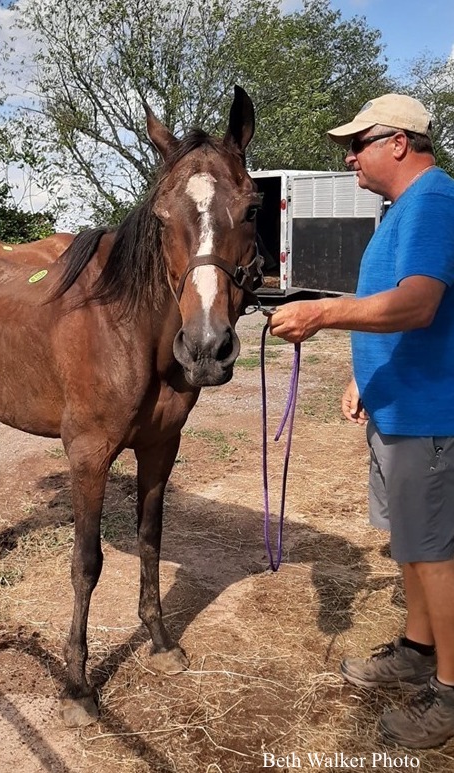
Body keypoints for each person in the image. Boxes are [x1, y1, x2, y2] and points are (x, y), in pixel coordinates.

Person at [269, 93, 454, 749]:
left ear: (398, 141)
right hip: (396, 403)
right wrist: (361, 372)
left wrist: (318, 315)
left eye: (357, 142)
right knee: (409, 541)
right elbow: (394, 311)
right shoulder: (404, 209)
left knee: (434, 551)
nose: (349, 155)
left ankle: (449, 693)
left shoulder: (432, 200)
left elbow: (416, 303)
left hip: (427, 413)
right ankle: (415, 648)